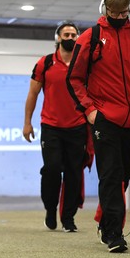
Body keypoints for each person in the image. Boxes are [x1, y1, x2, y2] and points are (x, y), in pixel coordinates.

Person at [66, 0, 130, 253]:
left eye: (124, 13)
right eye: (115, 13)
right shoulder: (91, 38)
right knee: (110, 175)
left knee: (123, 174)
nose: (120, 17)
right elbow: (74, 79)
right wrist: (89, 110)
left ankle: (105, 218)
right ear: (104, 10)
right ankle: (114, 233)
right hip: (104, 119)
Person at [23, 20, 92, 233]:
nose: (70, 38)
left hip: (78, 126)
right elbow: (33, 94)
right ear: (58, 38)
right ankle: (50, 209)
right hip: (51, 126)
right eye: (66, 35)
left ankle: (68, 218)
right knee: (52, 169)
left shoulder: (84, 65)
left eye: (73, 35)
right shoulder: (45, 64)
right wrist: (27, 123)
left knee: (73, 173)